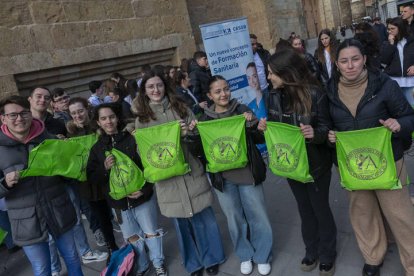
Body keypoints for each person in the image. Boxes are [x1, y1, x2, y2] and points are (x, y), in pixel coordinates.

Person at [326, 38, 414, 276]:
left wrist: (399, 124)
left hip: (387, 160)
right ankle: (373, 257)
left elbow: (408, 116)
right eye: (344, 61)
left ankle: (412, 263)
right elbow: (323, 124)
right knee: (362, 212)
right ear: (337, 64)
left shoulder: (384, 84)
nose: (350, 65)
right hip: (352, 164)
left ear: (364, 59)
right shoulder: (330, 90)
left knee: (400, 214)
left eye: (355, 59)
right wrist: (328, 135)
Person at [132, 70, 226, 276]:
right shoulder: (143, 119)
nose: (156, 90)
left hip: (190, 171)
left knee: (205, 218)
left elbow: (198, 135)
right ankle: (193, 263)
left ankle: (213, 258)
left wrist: (190, 131)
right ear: (145, 91)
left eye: (159, 85)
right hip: (168, 179)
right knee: (181, 225)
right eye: (150, 87)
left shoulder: (181, 107)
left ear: (165, 86)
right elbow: (143, 152)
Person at [258, 49, 337, 276]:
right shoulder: (271, 94)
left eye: (272, 73)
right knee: (304, 209)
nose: (269, 77)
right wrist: (263, 128)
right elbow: (274, 128)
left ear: (287, 73)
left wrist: (315, 133)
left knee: (320, 209)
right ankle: (311, 250)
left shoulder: (315, 94)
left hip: (315, 165)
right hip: (291, 165)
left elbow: (328, 130)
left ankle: (328, 254)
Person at [0, 95, 83, 276]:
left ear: (31, 114)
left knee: (73, 258)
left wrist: (69, 160)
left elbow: (70, 177)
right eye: (13, 115)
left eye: (24, 113)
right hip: (26, 220)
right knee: (41, 269)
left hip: (58, 210)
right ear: (3, 118)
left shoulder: (50, 139)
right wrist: (5, 184)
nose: (19, 119)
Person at [199, 75, 272, 276]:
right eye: (218, 91)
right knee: (234, 218)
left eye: (226, 89)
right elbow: (199, 150)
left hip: (247, 172)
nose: (224, 94)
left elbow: (258, 137)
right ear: (209, 95)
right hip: (222, 178)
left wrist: (256, 126)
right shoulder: (203, 119)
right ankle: (245, 254)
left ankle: (263, 255)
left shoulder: (242, 110)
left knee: (258, 214)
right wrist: (191, 135)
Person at [87, 103, 167, 276]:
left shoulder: (132, 139)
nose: (108, 121)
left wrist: (145, 190)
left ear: (117, 118)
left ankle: (158, 262)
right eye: (103, 118)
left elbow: (150, 166)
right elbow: (92, 178)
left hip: (143, 198)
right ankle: (142, 265)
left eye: (111, 117)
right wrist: (104, 168)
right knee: (131, 237)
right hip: (119, 204)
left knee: (151, 232)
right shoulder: (97, 149)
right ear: (98, 123)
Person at [381, 17, 414, 107]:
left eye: (392, 29)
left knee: (412, 105)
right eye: (388, 29)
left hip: (411, 81)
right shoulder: (387, 43)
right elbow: (384, 61)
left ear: (400, 28)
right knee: (398, 107)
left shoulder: (411, 41)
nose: (389, 31)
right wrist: (390, 44)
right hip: (394, 81)